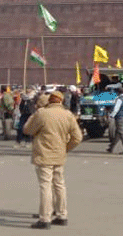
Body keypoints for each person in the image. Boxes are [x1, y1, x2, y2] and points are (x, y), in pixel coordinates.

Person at [22, 90, 83, 230]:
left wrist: (34, 115)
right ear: (61, 101)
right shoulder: (68, 115)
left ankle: (45, 218)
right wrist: (66, 148)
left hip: (44, 154)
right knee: (59, 185)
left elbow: (27, 129)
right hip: (60, 154)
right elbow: (77, 137)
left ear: (50, 100)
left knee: (45, 186)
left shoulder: (42, 114)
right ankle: (62, 215)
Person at [106, 87, 123, 155]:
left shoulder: (119, 99)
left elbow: (116, 109)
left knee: (122, 133)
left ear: (118, 92)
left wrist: (111, 116)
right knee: (118, 134)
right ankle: (111, 147)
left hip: (119, 118)